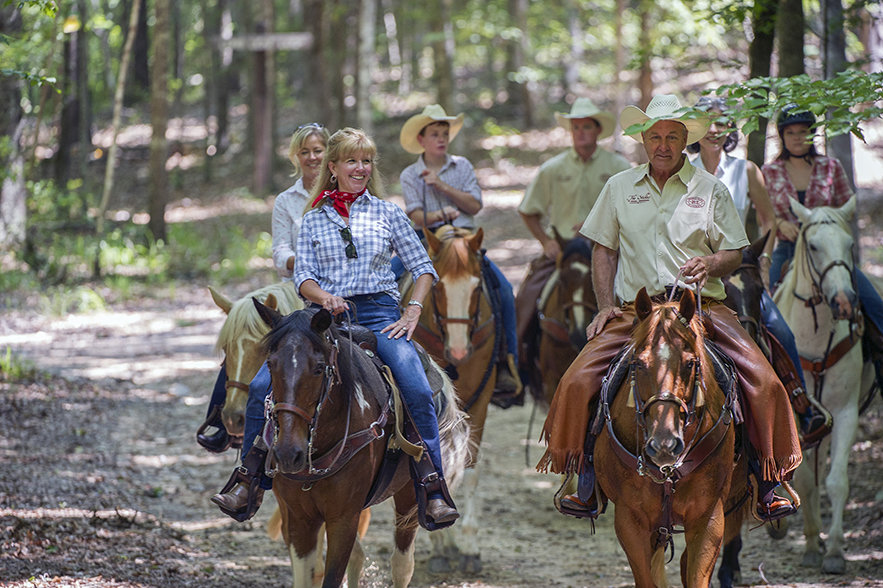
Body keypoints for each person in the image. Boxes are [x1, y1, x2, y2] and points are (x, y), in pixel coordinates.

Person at [538, 94, 802, 522]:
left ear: (685, 141)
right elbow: (603, 250)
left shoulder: (710, 189)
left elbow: (735, 252)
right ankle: (582, 477)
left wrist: (711, 262)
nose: (663, 144)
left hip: (700, 308)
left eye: (672, 136)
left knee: (765, 381)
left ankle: (769, 479)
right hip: (636, 311)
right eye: (655, 136)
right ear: (643, 139)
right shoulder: (619, 187)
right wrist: (605, 306)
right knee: (575, 382)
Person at [212, 128, 459, 530]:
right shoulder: (312, 218)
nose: (360, 169)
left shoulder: (388, 213)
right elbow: (303, 276)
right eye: (351, 161)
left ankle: (432, 486)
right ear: (333, 167)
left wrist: (412, 310)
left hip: (379, 316)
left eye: (366, 161)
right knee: (260, 386)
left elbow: (423, 268)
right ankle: (248, 477)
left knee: (415, 386)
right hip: (323, 320)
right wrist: (324, 297)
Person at [688, 97, 828, 443]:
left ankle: (802, 406)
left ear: (731, 127)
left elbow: (768, 220)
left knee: (780, 330)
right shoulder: (683, 167)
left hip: (738, 267)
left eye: (721, 122)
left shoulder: (746, 170)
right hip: (691, 269)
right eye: (707, 122)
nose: (715, 129)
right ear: (696, 128)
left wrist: (762, 261)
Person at [196, 123, 330, 453]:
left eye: (318, 150)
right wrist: (306, 265)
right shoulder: (287, 200)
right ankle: (223, 422)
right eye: (305, 151)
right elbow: (280, 250)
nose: (312, 157)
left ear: (329, 153)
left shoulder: (343, 191)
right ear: (295, 157)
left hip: (339, 289)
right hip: (296, 288)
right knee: (244, 326)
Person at [396, 104, 522, 402]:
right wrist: (441, 214)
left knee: (502, 289)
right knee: (391, 276)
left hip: (466, 241)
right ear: (421, 140)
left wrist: (440, 186)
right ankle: (386, 355)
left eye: (445, 133)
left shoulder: (461, 166)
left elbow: (474, 206)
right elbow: (415, 215)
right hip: (426, 241)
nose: (441, 139)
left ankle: (507, 361)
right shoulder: (410, 174)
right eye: (435, 134)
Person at [515, 98, 631, 377]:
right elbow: (529, 211)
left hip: (608, 250)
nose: (580, 132)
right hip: (564, 254)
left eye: (586, 126)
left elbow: (633, 211)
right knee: (528, 297)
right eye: (575, 127)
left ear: (597, 130)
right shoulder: (553, 168)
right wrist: (546, 242)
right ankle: (519, 364)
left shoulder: (619, 166)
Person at [762, 107, 883, 348]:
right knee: (764, 305)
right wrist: (780, 224)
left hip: (830, 251)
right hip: (788, 249)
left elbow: (846, 208)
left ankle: (877, 361)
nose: (797, 138)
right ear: (782, 137)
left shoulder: (831, 167)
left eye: (803, 132)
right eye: (791, 132)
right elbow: (764, 215)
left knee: (873, 303)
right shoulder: (768, 172)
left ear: (812, 134)